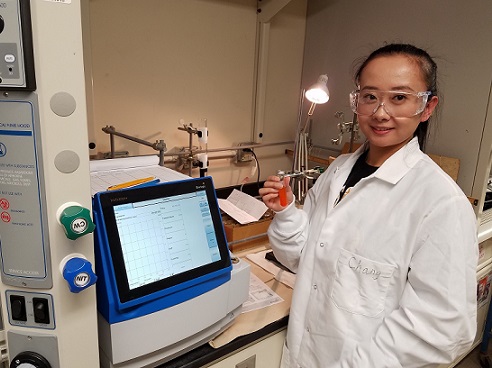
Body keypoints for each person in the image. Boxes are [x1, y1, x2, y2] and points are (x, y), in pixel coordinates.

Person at [259, 43, 478, 367]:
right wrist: (287, 212)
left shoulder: (440, 203)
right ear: (357, 100)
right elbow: (304, 260)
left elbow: (441, 329)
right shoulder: (338, 171)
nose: (380, 112)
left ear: (427, 107)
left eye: (399, 97)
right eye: (370, 96)